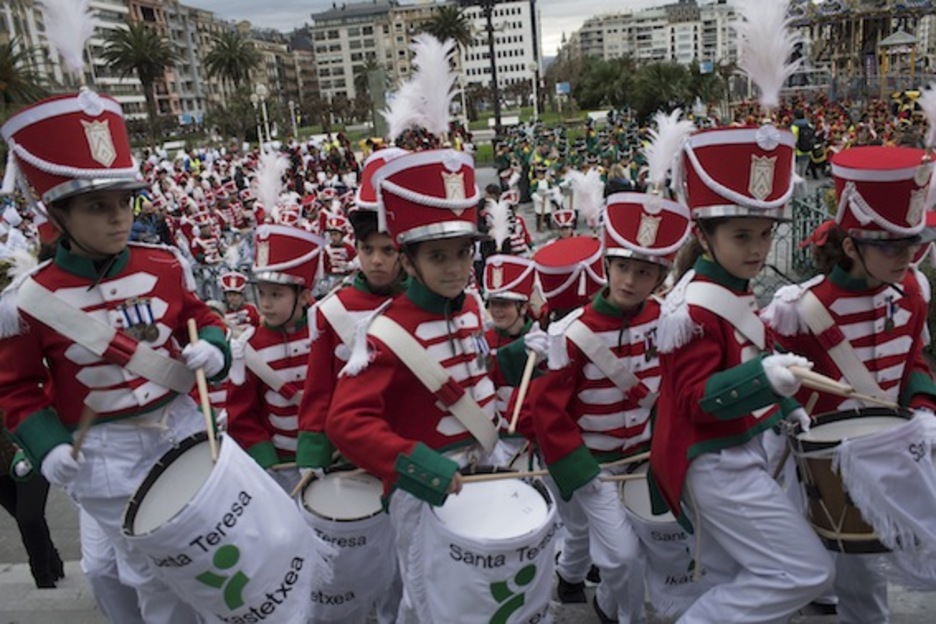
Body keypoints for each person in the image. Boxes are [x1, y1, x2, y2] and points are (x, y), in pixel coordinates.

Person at [0, 87, 230, 623]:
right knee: (154, 578)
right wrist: (47, 445)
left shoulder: (166, 266)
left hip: (182, 430)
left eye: (125, 201)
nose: (119, 217)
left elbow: (207, 318)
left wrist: (213, 349)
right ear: (56, 213)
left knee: (207, 556)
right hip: (104, 457)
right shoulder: (26, 302)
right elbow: (16, 390)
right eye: (98, 206)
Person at [325, 147, 552, 622]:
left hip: (487, 469)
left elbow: (475, 376)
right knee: (431, 602)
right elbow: (346, 423)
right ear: (408, 261)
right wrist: (417, 466)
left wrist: (522, 355)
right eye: (437, 256)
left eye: (462, 253)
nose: (454, 267)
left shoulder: (470, 307)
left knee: (483, 596)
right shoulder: (386, 331)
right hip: (426, 485)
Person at [650, 107, 835, 623]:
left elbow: (751, 353)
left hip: (743, 450)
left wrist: (781, 404)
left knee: (738, 577)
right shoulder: (692, 307)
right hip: (713, 461)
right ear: (705, 236)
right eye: (742, 237)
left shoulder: (733, 287)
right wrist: (763, 382)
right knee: (807, 572)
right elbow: (692, 398)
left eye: (764, 234)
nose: (757, 249)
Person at [762, 145, 936, 624]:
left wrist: (923, 406)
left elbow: (913, 359)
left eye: (912, 242)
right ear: (852, 245)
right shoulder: (800, 308)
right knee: (859, 582)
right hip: (832, 464)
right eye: (890, 245)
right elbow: (774, 382)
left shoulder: (915, 290)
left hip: (899, 448)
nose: (906, 255)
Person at [532, 190, 690, 622]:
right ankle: (619, 612)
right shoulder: (571, 332)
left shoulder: (667, 318)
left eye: (643, 272)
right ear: (606, 265)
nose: (628, 281)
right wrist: (580, 471)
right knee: (619, 557)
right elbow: (548, 414)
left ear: (658, 276)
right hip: (595, 465)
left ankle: (614, 608)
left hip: (646, 458)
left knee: (667, 542)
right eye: (621, 267)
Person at [225, 224, 324, 492]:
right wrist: (265, 460)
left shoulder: (323, 335)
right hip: (281, 465)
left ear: (304, 296)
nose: (265, 303)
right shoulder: (249, 346)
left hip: (328, 459)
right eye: (262, 293)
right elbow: (242, 413)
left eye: (277, 295)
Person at [0, 432, 63, 588]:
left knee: (29, 516)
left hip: (30, 454)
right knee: (25, 518)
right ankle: (53, 561)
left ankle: (42, 578)